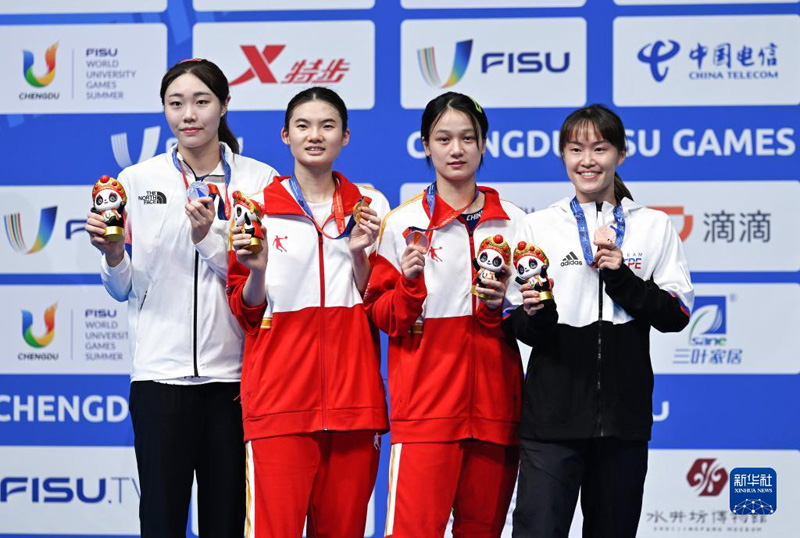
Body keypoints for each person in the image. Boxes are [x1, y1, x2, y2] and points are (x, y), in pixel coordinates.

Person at [86, 58, 278, 537]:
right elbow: (122, 288)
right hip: (159, 378)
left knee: (225, 523)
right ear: (164, 110)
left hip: (234, 381)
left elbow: (263, 280)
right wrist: (113, 255)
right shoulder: (136, 180)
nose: (188, 114)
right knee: (161, 521)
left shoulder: (259, 181)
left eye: (201, 101)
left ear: (224, 105)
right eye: (176, 104)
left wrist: (208, 236)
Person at [510, 104, 694, 538]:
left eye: (600, 148)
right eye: (576, 149)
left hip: (623, 422)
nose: (587, 160)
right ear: (563, 155)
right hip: (551, 420)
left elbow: (677, 314)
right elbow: (515, 321)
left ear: (621, 154)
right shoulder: (538, 226)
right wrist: (539, 314)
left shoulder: (653, 225)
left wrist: (622, 277)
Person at [226, 87, 390, 538]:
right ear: (285, 135)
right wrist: (257, 270)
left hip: (355, 407)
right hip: (279, 405)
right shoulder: (254, 208)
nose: (315, 135)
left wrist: (359, 255)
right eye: (303, 125)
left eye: (327, 125)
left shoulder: (370, 207)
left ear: (345, 136)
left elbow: (380, 304)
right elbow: (245, 311)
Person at [364, 92, 525, 537]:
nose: (457, 150)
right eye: (444, 138)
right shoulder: (402, 224)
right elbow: (383, 316)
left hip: (496, 413)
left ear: (483, 145)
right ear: (425, 145)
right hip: (425, 412)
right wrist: (409, 285)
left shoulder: (514, 222)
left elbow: (534, 316)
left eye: (468, 138)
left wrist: (499, 305)